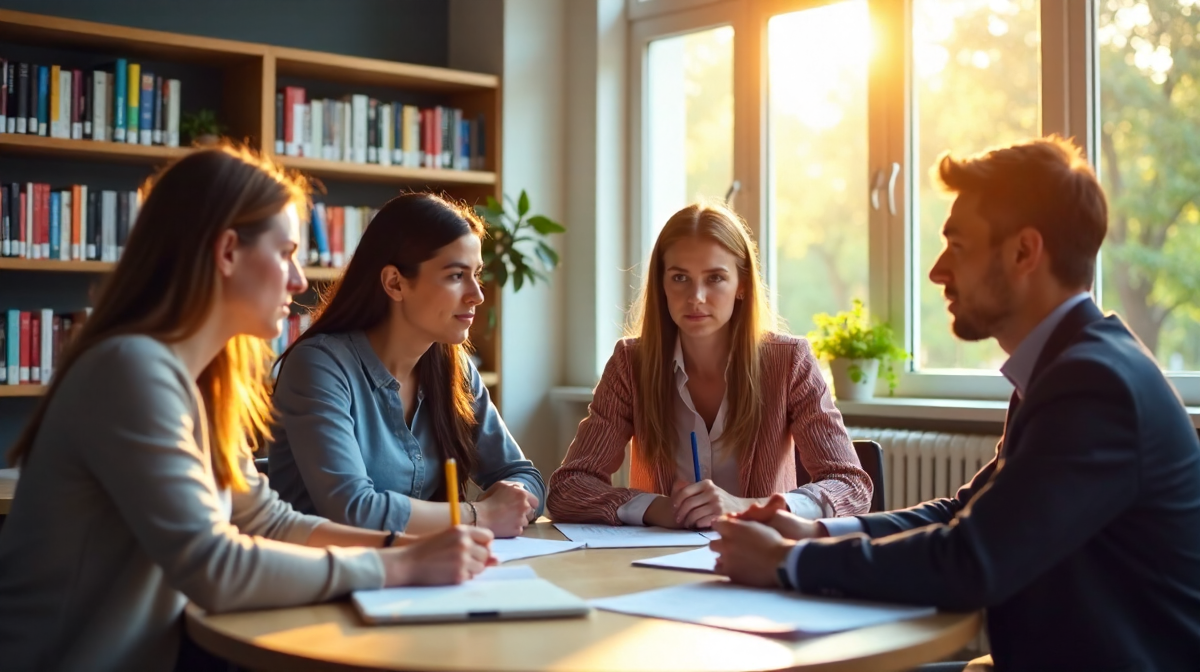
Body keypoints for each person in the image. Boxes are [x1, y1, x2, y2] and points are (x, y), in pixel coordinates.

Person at [711, 136, 1200, 671]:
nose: (937, 271)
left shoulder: (1094, 384)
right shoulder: (1067, 366)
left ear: (1023, 252)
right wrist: (816, 530)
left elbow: (971, 560)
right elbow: (964, 512)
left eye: (957, 246)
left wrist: (787, 561)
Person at [0, 147, 494, 672]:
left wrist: (404, 550)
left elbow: (265, 519)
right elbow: (214, 566)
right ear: (228, 252)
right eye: (285, 253)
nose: (300, 279)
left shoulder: (198, 379)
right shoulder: (130, 371)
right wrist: (395, 566)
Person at [547, 202, 871, 529]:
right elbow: (567, 487)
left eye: (715, 278)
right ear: (662, 284)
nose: (696, 297)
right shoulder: (631, 365)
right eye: (680, 278)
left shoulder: (789, 362)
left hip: (762, 560)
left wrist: (749, 507)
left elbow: (851, 485)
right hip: (658, 563)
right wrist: (659, 508)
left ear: (741, 284)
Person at [269, 193, 544, 538]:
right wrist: (481, 514)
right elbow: (352, 510)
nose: (477, 294)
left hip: (417, 576)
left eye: (476, 274)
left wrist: (510, 501)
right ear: (395, 283)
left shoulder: (453, 368)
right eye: (457, 276)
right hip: (321, 580)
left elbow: (525, 476)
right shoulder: (319, 367)